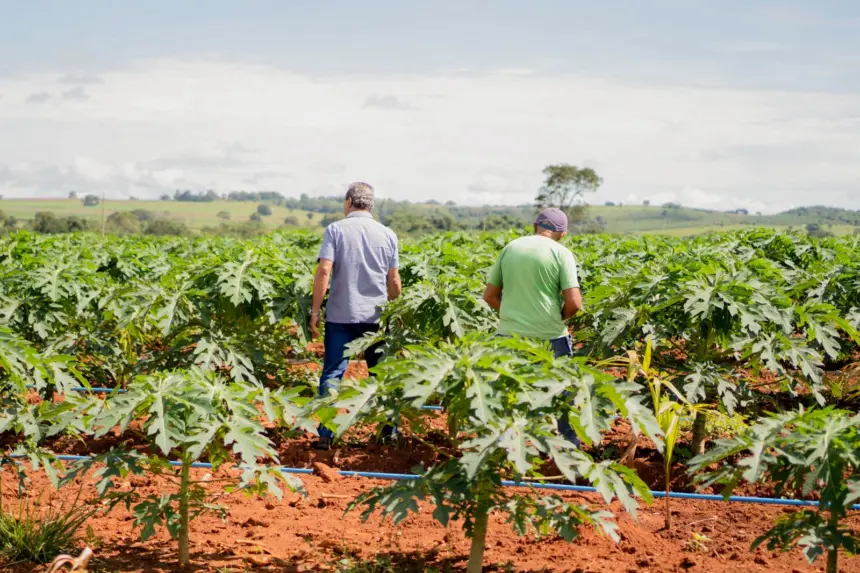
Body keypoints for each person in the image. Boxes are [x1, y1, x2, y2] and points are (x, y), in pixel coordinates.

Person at [309, 182, 402, 450]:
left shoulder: (335, 230)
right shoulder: (388, 235)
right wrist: (394, 309)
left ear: (349, 202)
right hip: (377, 318)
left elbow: (324, 271)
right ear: (370, 204)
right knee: (381, 375)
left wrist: (315, 311)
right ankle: (389, 431)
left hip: (341, 315)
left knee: (333, 374)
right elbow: (394, 280)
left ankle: (326, 435)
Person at [482, 207, 583, 442]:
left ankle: (503, 453)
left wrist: (510, 315)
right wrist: (559, 317)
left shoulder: (510, 248)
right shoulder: (561, 253)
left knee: (507, 397)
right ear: (563, 233)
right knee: (562, 397)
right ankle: (571, 453)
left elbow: (489, 295)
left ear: (534, 226)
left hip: (509, 336)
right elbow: (575, 303)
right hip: (550, 337)